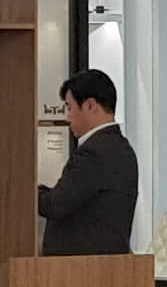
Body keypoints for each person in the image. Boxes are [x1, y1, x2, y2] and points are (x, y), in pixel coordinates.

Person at [35, 69, 139, 257]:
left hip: (81, 266)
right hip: (108, 263)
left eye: (69, 108)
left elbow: (56, 204)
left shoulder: (93, 153)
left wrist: (28, 194)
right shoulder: (123, 149)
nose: (68, 118)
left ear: (90, 105)